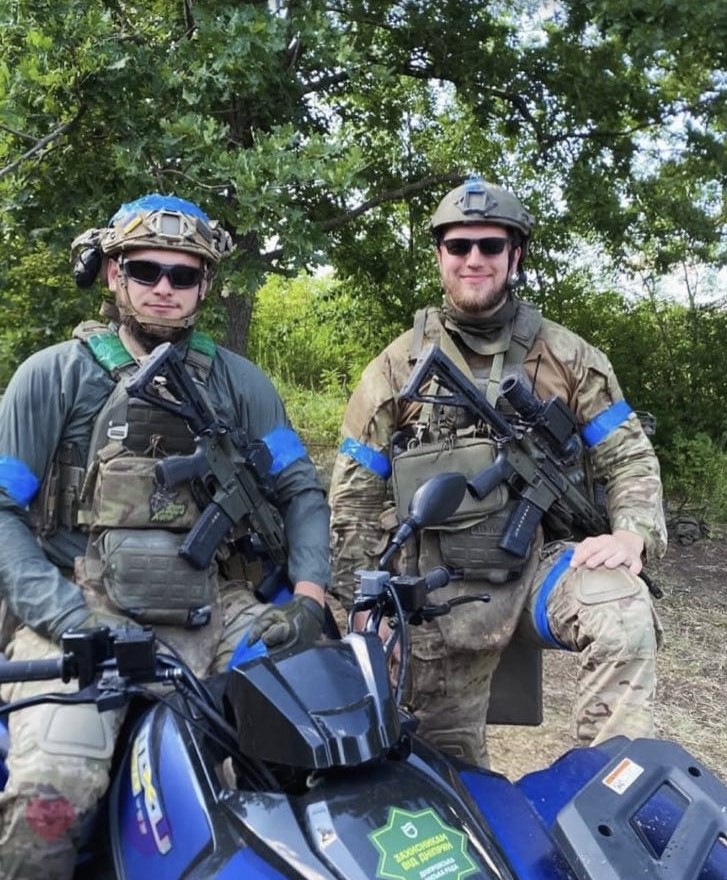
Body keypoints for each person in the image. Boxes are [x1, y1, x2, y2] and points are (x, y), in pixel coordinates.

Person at [0, 193, 330, 879]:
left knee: (326, 740)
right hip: (84, 608)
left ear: (204, 286)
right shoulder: (53, 376)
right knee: (47, 801)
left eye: (182, 275)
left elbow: (300, 490)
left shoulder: (241, 385)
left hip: (216, 609)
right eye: (145, 270)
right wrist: (67, 619)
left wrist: (308, 598)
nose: (163, 288)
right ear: (113, 274)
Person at [328, 175, 667, 767]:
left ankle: (608, 783)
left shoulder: (568, 357)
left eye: (490, 245)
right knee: (444, 766)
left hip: (541, 565)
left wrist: (631, 533)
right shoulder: (395, 367)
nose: (474, 259)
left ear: (515, 255)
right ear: (440, 255)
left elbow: (628, 455)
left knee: (622, 608)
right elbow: (352, 500)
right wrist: (362, 607)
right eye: (458, 245)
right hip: (435, 586)